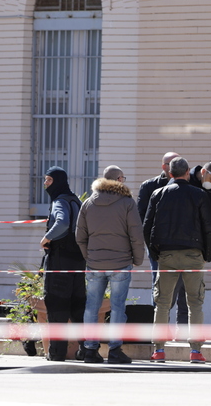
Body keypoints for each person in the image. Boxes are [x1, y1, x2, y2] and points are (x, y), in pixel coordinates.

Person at [143, 157, 211, 363]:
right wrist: (206, 255)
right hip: (193, 254)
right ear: (188, 172)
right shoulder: (199, 194)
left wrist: (155, 253)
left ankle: (159, 350)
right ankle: (195, 351)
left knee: (163, 303)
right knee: (195, 303)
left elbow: (147, 227)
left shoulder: (158, 194)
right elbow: (208, 228)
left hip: (167, 255)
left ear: (169, 173)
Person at [75, 165, 144, 364]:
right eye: (123, 177)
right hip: (121, 264)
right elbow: (136, 235)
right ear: (118, 180)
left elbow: (80, 236)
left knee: (91, 307)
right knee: (117, 307)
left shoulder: (88, 203)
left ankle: (89, 350)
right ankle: (115, 350)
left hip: (95, 264)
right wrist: (137, 259)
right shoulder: (127, 203)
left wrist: (90, 257)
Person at [40, 166, 86, 361]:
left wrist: (46, 238)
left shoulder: (59, 201)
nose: (45, 184)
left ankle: (57, 353)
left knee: (57, 306)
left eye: (48, 180)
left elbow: (62, 223)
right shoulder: (76, 200)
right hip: (78, 261)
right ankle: (87, 350)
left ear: (57, 181)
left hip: (60, 261)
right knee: (78, 308)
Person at [137, 152, 187, 324]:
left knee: (184, 288)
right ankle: (159, 326)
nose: (173, 166)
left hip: (182, 245)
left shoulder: (188, 186)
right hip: (158, 246)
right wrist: (151, 245)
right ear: (163, 166)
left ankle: (182, 326)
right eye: (170, 163)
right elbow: (142, 218)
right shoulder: (150, 187)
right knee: (159, 286)